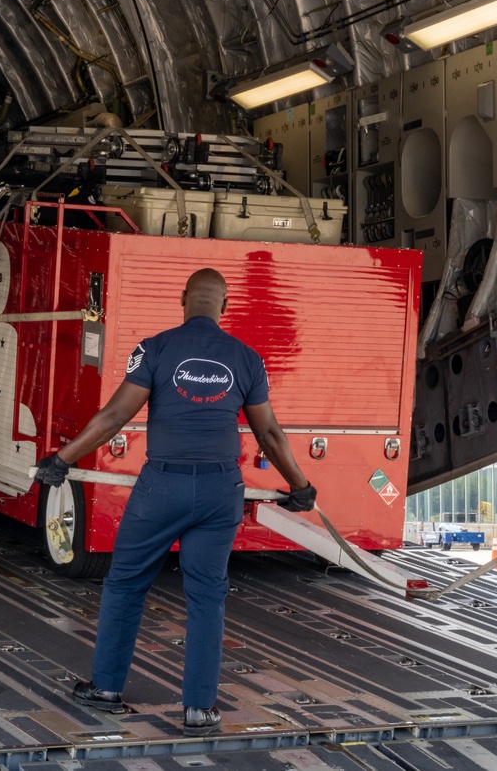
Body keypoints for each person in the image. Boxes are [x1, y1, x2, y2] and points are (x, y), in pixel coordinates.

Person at [32, 267, 317, 733]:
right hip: (220, 490)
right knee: (207, 597)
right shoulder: (247, 358)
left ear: (182, 299)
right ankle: (199, 709)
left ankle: (106, 689)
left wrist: (61, 459)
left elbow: (114, 417)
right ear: (224, 307)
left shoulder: (155, 348)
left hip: (161, 488)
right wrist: (300, 486)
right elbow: (269, 433)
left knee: (125, 584)